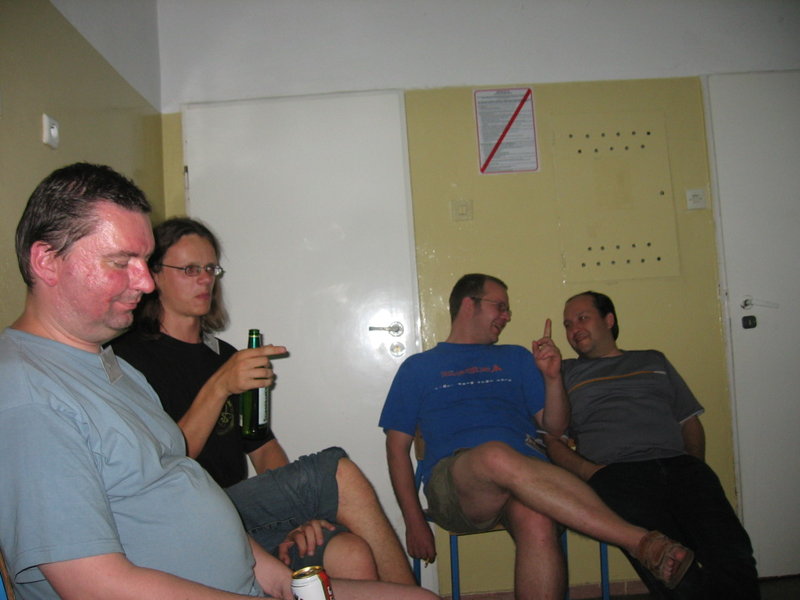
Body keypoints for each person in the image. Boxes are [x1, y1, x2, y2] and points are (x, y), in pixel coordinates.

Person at [0, 162, 439, 600]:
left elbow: (188, 479)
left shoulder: (111, 368)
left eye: (144, 262)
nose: (145, 283)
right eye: (121, 262)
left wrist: (275, 576)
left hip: (250, 574)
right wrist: (220, 386)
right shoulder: (29, 397)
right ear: (46, 261)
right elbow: (93, 585)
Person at [110, 216, 415, 583]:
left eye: (210, 269)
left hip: (238, 511)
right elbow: (164, 465)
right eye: (190, 269)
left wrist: (299, 517)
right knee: (338, 471)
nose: (205, 279)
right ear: (155, 275)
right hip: (185, 514)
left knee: (349, 552)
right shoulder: (128, 359)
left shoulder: (224, 355)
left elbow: (263, 446)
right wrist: (220, 386)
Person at [380, 273, 695, 600]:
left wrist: (552, 378)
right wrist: (413, 520)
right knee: (494, 455)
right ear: (469, 304)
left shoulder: (516, 358)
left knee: (538, 517)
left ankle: (643, 544)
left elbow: (555, 429)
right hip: (460, 486)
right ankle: (640, 542)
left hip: (530, 478)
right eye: (500, 306)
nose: (507, 316)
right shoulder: (417, 368)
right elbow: (396, 449)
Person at [545, 290, 760, 599]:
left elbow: (689, 421)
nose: (573, 329)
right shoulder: (564, 372)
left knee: (731, 550)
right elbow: (553, 440)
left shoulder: (652, 360)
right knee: (670, 563)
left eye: (582, 318)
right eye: (568, 324)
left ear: (609, 320)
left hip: (680, 466)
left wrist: (694, 465)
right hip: (618, 473)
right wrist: (593, 473)